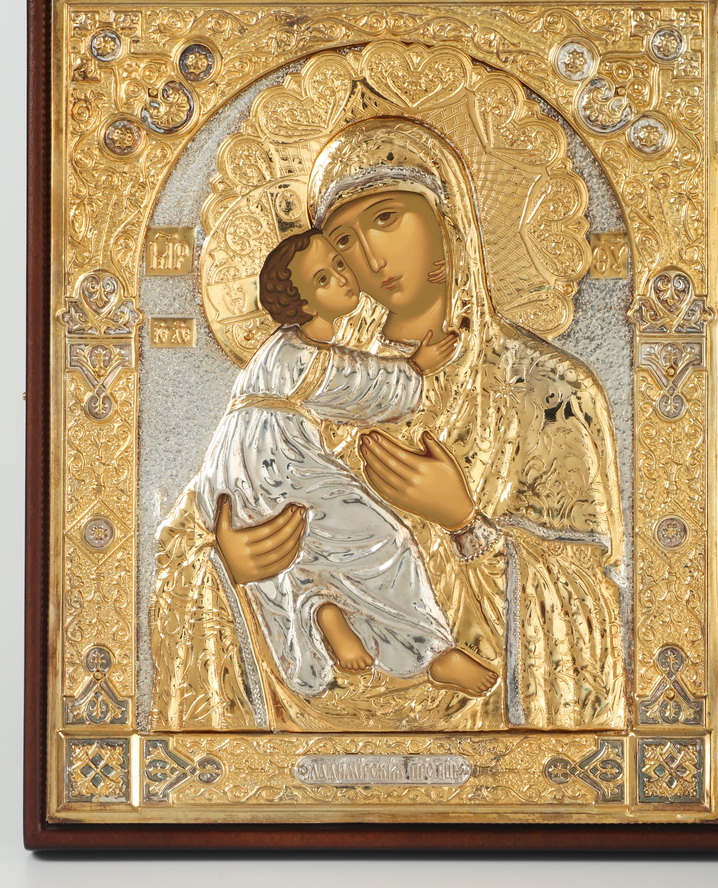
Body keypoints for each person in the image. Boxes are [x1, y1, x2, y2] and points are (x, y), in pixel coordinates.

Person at [151, 117, 626, 733]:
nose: (371, 258)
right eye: (343, 242)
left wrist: (466, 523)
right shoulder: (314, 378)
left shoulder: (551, 390)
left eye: (386, 218)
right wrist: (228, 567)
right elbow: (179, 549)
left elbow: (594, 607)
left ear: (447, 221)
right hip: (301, 732)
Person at [188, 228, 495, 699]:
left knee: (302, 552)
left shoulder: (282, 352)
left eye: (337, 263)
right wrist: (416, 369)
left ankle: (323, 611)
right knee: (384, 539)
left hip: (239, 470)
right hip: (277, 462)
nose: (345, 276)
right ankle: (430, 652)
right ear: (303, 304)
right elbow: (356, 382)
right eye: (324, 278)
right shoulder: (298, 355)